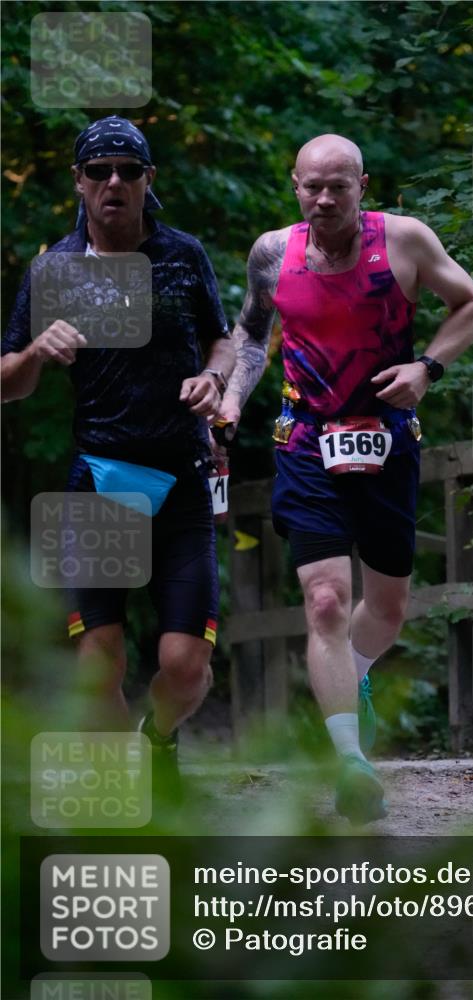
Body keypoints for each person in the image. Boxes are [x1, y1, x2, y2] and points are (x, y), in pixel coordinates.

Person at [219, 133, 473, 824]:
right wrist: (227, 397)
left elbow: (470, 306)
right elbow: (250, 336)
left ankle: (353, 677)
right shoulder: (271, 253)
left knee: (389, 605)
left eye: (338, 184)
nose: (324, 198)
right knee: (326, 604)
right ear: (294, 184)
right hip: (306, 441)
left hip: (387, 438)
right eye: (312, 185)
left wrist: (426, 369)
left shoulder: (402, 240)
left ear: (363, 184)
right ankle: (350, 765)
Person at [1, 116, 235, 803]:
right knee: (98, 662)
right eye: (98, 170)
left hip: (182, 482)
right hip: (100, 483)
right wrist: (35, 352)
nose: (112, 183)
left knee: (186, 664)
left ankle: (156, 740)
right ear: (78, 181)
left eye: (127, 172)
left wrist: (214, 379)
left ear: (146, 182)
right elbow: (7, 383)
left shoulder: (182, 256)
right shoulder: (54, 271)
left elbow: (223, 342)